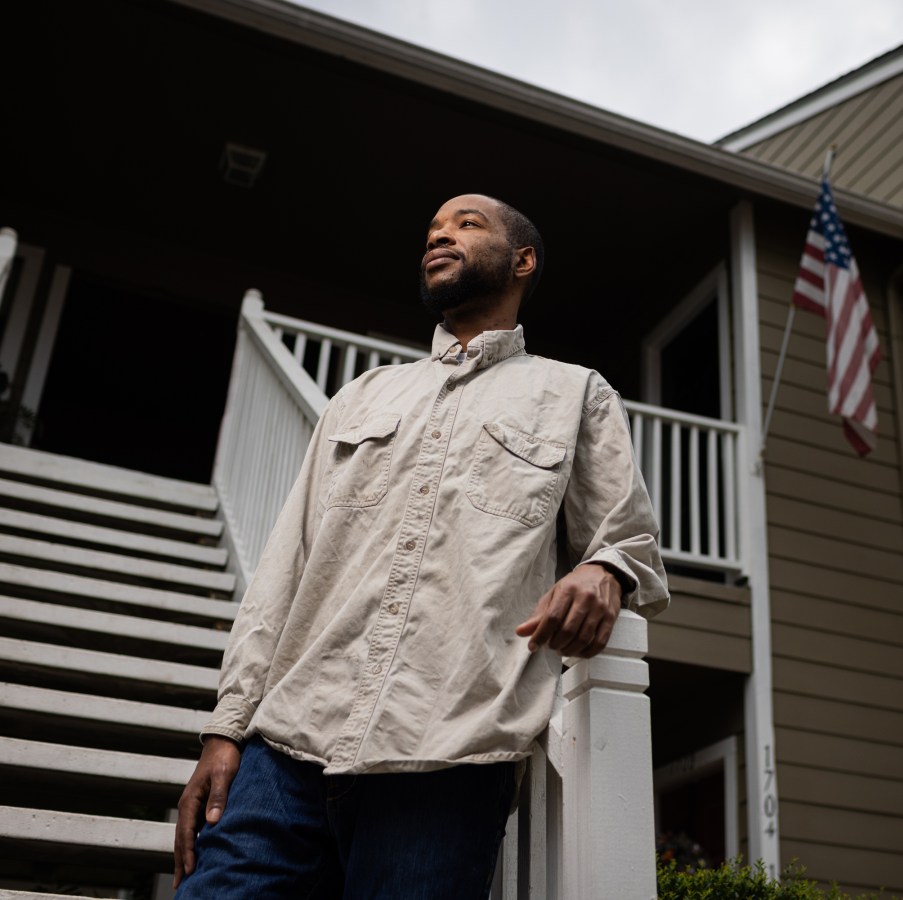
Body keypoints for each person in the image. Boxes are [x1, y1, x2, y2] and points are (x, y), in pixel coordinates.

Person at [173, 194, 669, 898]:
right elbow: (280, 575)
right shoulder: (362, 397)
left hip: (449, 759)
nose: (440, 235)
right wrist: (226, 730)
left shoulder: (575, 395)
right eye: (432, 229)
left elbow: (626, 536)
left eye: (467, 224)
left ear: (523, 259)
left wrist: (605, 568)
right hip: (285, 756)